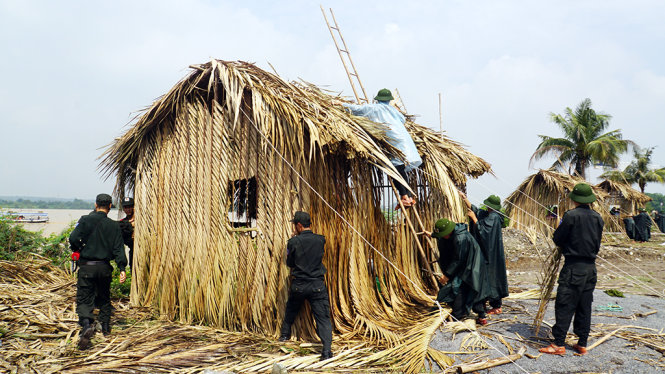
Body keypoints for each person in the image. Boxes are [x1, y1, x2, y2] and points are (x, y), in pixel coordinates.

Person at [540, 183, 604, 356]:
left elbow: (558, 238)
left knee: (565, 303)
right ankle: (582, 343)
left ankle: (558, 343)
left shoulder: (571, 216)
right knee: (584, 305)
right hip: (591, 268)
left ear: (574, 199)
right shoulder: (598, 217)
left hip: (573, 267)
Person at [341, 89, 422, 208]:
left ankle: (404, 197)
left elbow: (357, 109)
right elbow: (403, 119)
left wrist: (341, 105)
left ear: (377, 99)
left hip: (395, 142)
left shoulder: (375, 108)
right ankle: (408, 197)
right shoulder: (394, 110)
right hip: (406, 143)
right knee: (401, 170)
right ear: (389, 100)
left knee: (395, 171)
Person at [69, 194, 127, 350]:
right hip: (104, 267)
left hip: (87, 266)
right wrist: (122, 268)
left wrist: (78, 249)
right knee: (104, 296)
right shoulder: (114, 226)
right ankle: (106, 327)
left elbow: (73, 238)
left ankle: (87, 324)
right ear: (109, 207)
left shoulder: (85, 219)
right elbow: (118, 249)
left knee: (84, 297)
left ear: (95, 204)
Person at [278, 211, 333, 361]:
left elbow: (289, 264)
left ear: (299, 225)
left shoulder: (293, 242)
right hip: (317, 285)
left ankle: (284, 336)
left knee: (291, 309)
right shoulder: (321, 240)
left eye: (295, 225)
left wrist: (293, 243)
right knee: (323, 318)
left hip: (299, 285)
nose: (294, 228)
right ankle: (327, 351)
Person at [431, 218, 491, 326]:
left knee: (470, 287)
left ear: (449, 232)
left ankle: (462, 315)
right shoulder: (455, 232)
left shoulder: (460, 238)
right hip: (466, 263)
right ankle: (475, 314)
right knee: (467, 287)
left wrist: (447, 274)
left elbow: (459, 259)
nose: (442, 238)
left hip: (472, 265)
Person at [462, 193, 509, 315]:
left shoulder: (493, 217)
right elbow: (477, 211)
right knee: (490, 277)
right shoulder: (490, 215)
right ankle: (492, 304)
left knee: (492, 277)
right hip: (490, 252)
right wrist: (465, 198)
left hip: (491, 253)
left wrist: (473, 219)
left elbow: (484, 231)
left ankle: (496, 306)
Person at [118, 197, 135, 269]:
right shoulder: (122, 223)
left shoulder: (142, 219)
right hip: (133, 253)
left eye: (130, 207)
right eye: (126, 207)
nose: (128, 209)